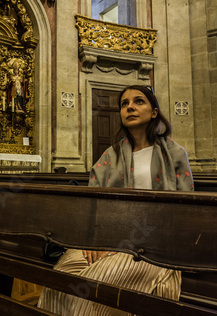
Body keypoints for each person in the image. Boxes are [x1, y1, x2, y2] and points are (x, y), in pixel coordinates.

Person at [37, 85, 194, 315]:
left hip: (152, 246)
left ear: (154, 112)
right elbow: (93, 204)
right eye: (124, 103)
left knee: (94, 288)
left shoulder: (174, 153)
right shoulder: (110, 155)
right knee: (59, 280)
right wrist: (94, 242)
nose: (130, 106)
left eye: (139, 101)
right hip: (107, 240)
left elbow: (185, 209)